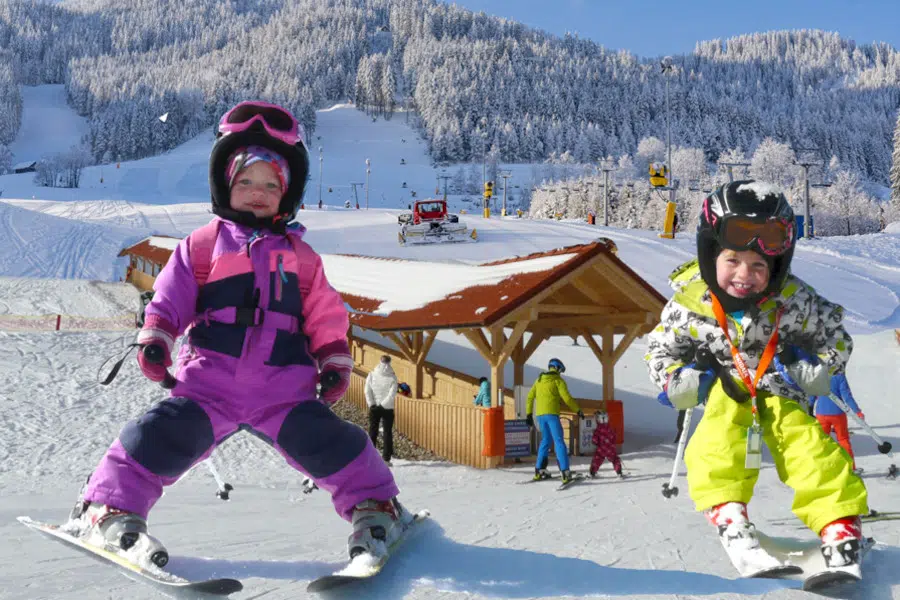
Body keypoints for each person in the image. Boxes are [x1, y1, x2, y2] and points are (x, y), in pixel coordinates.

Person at [68, 101, 413, 566]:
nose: (258, 192)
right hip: (209, 385)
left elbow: (326, 315)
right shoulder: (203, 246)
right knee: (152, 438)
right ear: (224, 184)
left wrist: (333, 359)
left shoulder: (302, 258)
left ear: (287, 193)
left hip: (284, 390)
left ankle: (377, 510)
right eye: (246, 181)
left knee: (340, 446)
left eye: (271, 184)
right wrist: (157, 336)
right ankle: (109, 509)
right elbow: (170, 297)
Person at [644, 180, 867, 579]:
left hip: (779, 388)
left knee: (808, 446)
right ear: (710, 252)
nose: (744, 275)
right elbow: (660, 352)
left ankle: (839, 527)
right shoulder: (690, 303)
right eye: (732, 260)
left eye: (759, 266)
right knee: (717, 437)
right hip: (724, 388)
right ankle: (731, 517)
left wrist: (814, 368)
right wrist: (682, 380)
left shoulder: (794, 300)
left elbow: (835, 338)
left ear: (777, 266)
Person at [525, 358, 584, 484]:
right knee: (559, 441)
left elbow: (530, 397)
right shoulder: (558, 380)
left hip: (540, 415)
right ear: (557, 368)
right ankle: (565, 472)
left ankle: (539, 470)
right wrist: (578, 410)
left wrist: (529, 414)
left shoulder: (539, 380)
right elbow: (567, 398)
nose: (560, 372)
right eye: (560, 370)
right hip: (552, 415)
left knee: (545, 440)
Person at [813, 373, 864, 472]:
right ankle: (850, 468)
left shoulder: (818, 374)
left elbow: (812, 394)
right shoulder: (839, 376)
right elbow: (847, 397)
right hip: (837, 413)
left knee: (821, 441)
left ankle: (819, 469)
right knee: (843, 439)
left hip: (821, 413)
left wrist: (810, 408)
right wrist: (857, 412)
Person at [365, 355, 398, 465]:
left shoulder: (372, 374)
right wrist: (383, 405)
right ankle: (386, 458)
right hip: (387, 408)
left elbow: (367, 390)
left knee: (372, 431)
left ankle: (370, 457)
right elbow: (392, 394)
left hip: (374, 407)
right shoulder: (392, 377)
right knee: (387, 433)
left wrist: (372, 404)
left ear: (380, 361)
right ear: (390, 362)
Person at [588, 410, 623, 478]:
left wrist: (595, 442)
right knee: (615, 459)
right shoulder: (610, 429)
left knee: (597, 460)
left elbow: (595, 440)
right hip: (610, 448)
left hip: (601, 449)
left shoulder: (597, 430)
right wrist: (612, 444)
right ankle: (619, 471)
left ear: (598, 420)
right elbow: (614, 437)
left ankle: (592, 472)